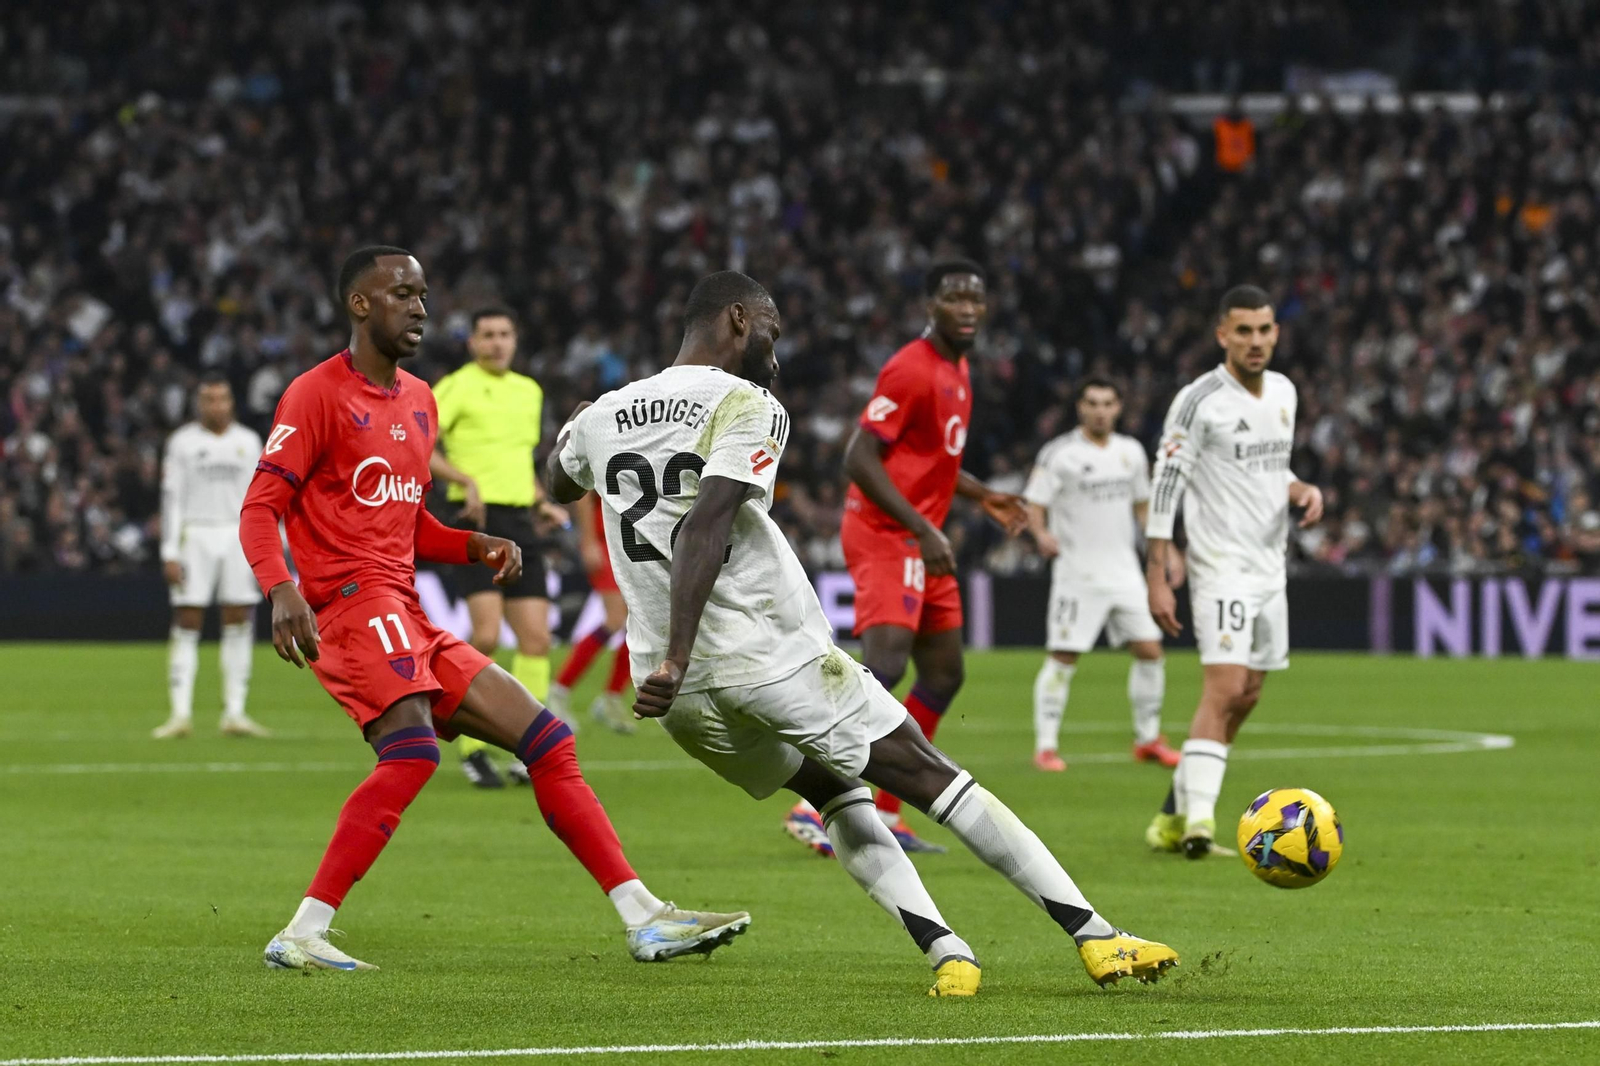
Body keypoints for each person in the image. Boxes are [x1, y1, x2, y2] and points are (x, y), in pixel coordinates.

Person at [547, 270, 1178, 997]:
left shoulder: (607, 414)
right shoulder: (745, 402)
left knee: (836, 793)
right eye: (773, 331)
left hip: (678, 697)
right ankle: (1097, 937)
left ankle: (948, 953)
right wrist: (688, 650)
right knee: (931, 775)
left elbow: (561, 483)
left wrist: (580, 425)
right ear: (738, 319)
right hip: (759, 653)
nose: (778, 353)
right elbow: (706, 523)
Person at [239, 246, 748, 970]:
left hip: (406, 609)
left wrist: (468, 544)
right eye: (401, 294)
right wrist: (279, 585)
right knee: (411, 751)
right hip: (352, 606)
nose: (420, 308)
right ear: (359, 304)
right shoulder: (315, 394)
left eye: (423, 294)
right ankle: (302, 931)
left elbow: (406, 521)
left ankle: (644, 918)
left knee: (547, 740)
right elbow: (261, 508)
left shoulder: (419, 400)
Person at [785, 259, 1027, 856]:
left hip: (922, 534)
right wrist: (923, 527)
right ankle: (810, 804)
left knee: (945, 673)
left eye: (976, 297)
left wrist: (980, 494)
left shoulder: (959, 368)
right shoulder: (911, 368)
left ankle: (889, 810)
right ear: (930, 306)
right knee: (885, 666)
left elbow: (929, 458)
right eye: (954, 297)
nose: (968, 308)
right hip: (887, 534)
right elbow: (859, 458)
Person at [1143, 285, 1324, 858]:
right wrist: (1156, 569)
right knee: (1223, 687)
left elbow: (1272, 467)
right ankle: (1199, 825)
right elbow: (1167, 481)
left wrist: (1299, 487)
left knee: (1247, 692)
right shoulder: (1199, 400)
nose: (1255, 341)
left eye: (1264, 330)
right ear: (1222, 334)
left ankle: (1174, 813)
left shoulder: (1284, 393)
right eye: (1242, 331)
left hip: (1271, 567)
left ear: (1277, 333)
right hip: (1219, 565)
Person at [428, 307, 569, 788]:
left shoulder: (528, 391)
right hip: (475, 520)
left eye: (504, 334)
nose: (496, 343)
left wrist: (541, 502)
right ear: (471, 342)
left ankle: (527, 746)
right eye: (487, 335)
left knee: (536, 639)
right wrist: (463, 479)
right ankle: (470, 746)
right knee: (485, 636)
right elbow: (421, 447)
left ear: (515, 339)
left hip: (518, 519)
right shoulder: (456, 386)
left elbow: (515, 458)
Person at [1023, 378, 1179, 772]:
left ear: (1118, 408)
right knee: (1063, 656)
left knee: (1150, 651)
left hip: (1125, 572)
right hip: (1078, 574)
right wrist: (1041, 534)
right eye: (1092, 403)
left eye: (1108, 403)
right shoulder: (1060, 454)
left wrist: (1167, 551)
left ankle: (1147, 739)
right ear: (1080, 407)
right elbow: (1034, 503)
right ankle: (1045, 747)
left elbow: (1143, 509)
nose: (1100, 410)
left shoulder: (1130, 452)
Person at [153, 373, 271, 739]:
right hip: (196, 534)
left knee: (238, 619)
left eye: (221, 398)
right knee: (188, 620)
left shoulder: (248, 441)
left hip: (237, 535)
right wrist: (169, 550)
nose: (215, 405)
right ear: (198, 403)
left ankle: (235, 713)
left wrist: (266, 543)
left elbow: (262, 496)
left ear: (231, 402)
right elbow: (172, 498)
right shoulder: (182, 443)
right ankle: (180, 715)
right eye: (208, 399)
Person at [548, 492, 634, 734]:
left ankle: (611, 698)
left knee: (639, 624)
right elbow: (584, 493)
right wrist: (588, 541)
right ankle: (559, 690)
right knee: (615, 619)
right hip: (602, 539)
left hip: (631, 539)